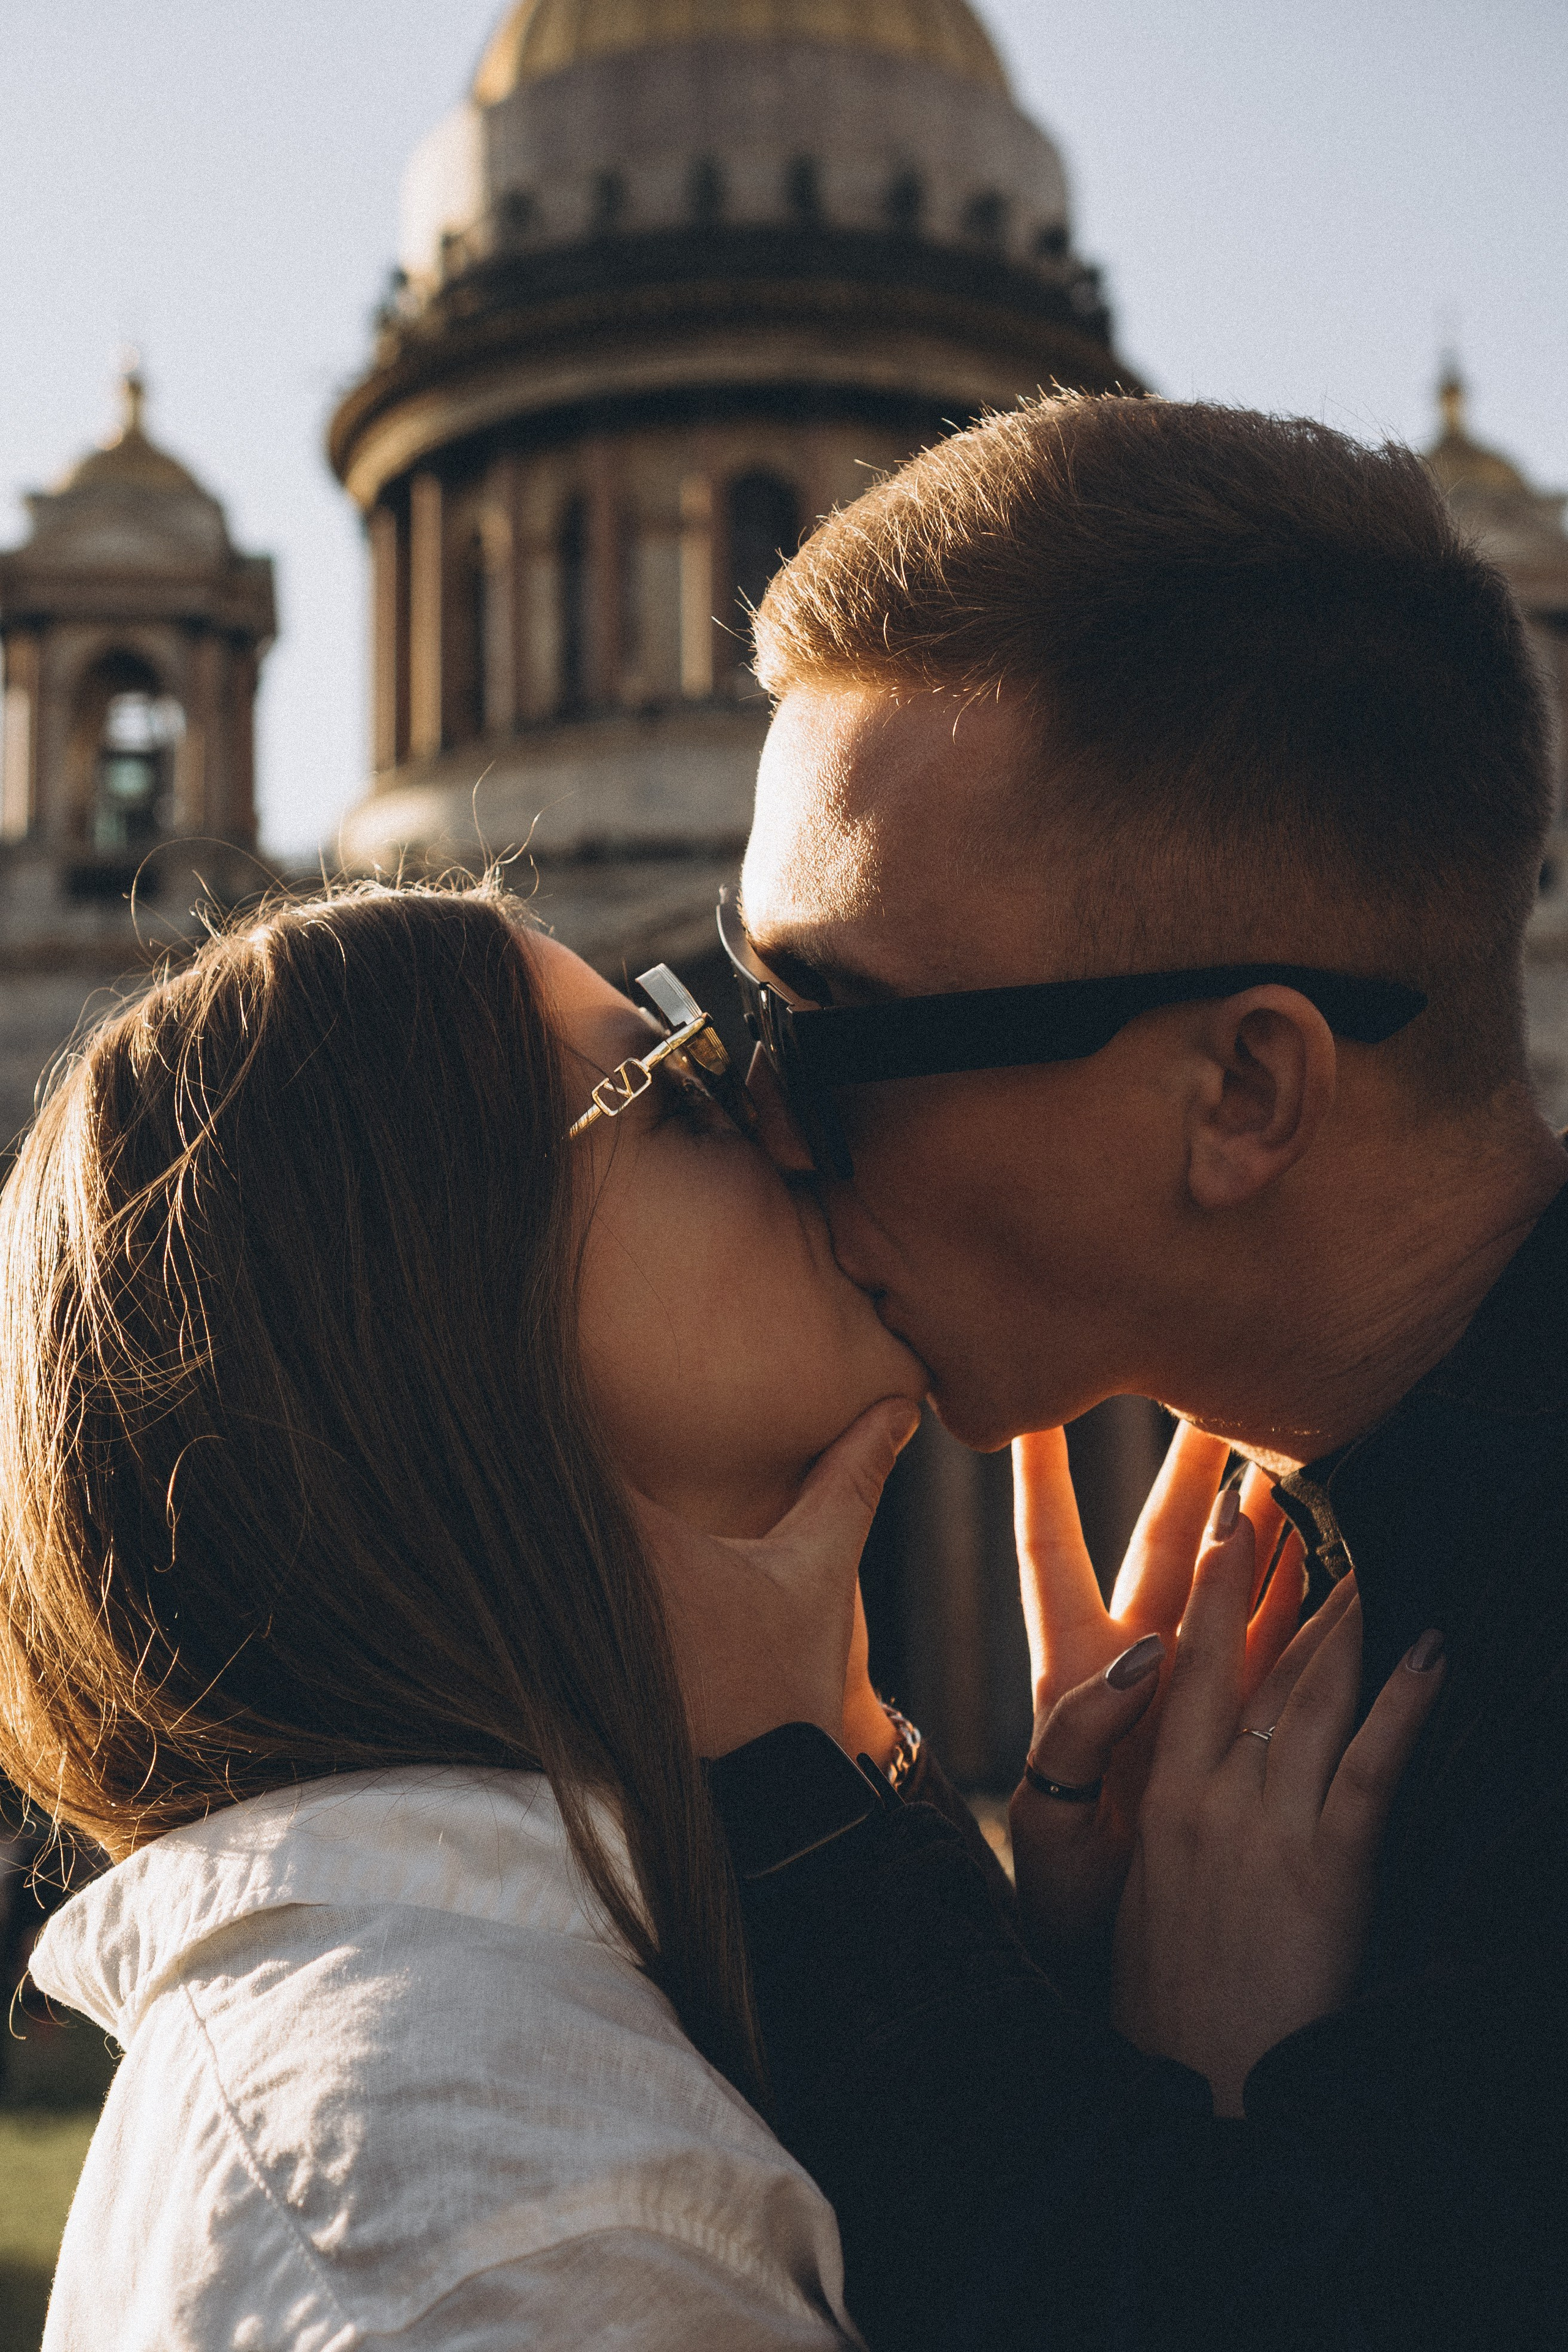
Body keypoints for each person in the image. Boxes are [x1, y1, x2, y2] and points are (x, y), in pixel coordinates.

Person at [3, 880, 1428, 2351]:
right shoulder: (501, 2226)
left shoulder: (578, 2039)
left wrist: (1057, 2027)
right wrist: (1211, 2114)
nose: (798, 1123)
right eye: (673, 1085)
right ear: (425, 1315)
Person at [663, 394, 1568, 2348]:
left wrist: (807, 1831)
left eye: (826, 1033)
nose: (763, 1124)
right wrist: (1080, 1997)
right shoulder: (1321, 1577)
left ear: (1241, 1091)